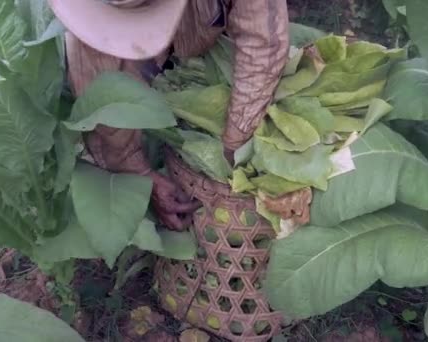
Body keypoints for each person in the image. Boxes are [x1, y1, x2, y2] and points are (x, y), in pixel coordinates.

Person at [48, 0, 290, 230]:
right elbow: (102, 101)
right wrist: (138, 171)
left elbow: (263, 43)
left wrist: (235, 141)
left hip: (215, 33)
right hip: (151, 64)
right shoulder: (86, 14)